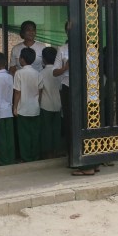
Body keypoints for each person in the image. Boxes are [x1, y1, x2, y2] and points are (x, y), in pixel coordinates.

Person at [54, 20, 99, 176]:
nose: (71, 33)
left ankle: (88, 164)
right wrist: (65, 68)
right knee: (72, 124)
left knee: (88, 124)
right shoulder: (63, 49)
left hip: (88, 91)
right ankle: (81, 161)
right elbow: (55, 72)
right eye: (69, 30)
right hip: (69, 89)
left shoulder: (91, 49)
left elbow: (94, 72)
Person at [13, 47, 41, 162]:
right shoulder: (37, 73)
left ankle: (26, 157)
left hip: (23, 108)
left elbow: (17, 92)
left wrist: (15, 107)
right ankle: (35, 155)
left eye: (20, 57)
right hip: (35, 107)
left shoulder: (18, 73)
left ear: (22, 59)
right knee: (34, 133)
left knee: (24, 135)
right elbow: (40, 91)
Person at [0, 52, 15, 166]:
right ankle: (10, 158)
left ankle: (2, 160)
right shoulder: (10, 77)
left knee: (1, 137)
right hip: (9, 109)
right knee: (9, 136)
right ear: (5, 63)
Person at [38, 45, 61, 159]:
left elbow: (40, 90)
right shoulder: (59, 72)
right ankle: (57, 151)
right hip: (58, 104)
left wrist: (38, 104)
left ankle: (48, 153)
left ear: (44, 59)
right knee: (56, 129)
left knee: (46, 130)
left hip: (45, 105)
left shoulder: (41, 73)